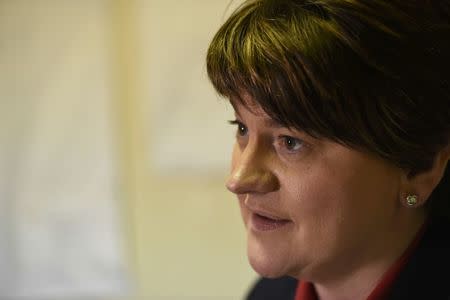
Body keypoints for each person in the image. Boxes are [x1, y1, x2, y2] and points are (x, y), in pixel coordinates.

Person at [206, 0, 450, 299]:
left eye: (291, 141)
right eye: (242, 128)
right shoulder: (267, 294)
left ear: (419, 168)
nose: (238, 179)